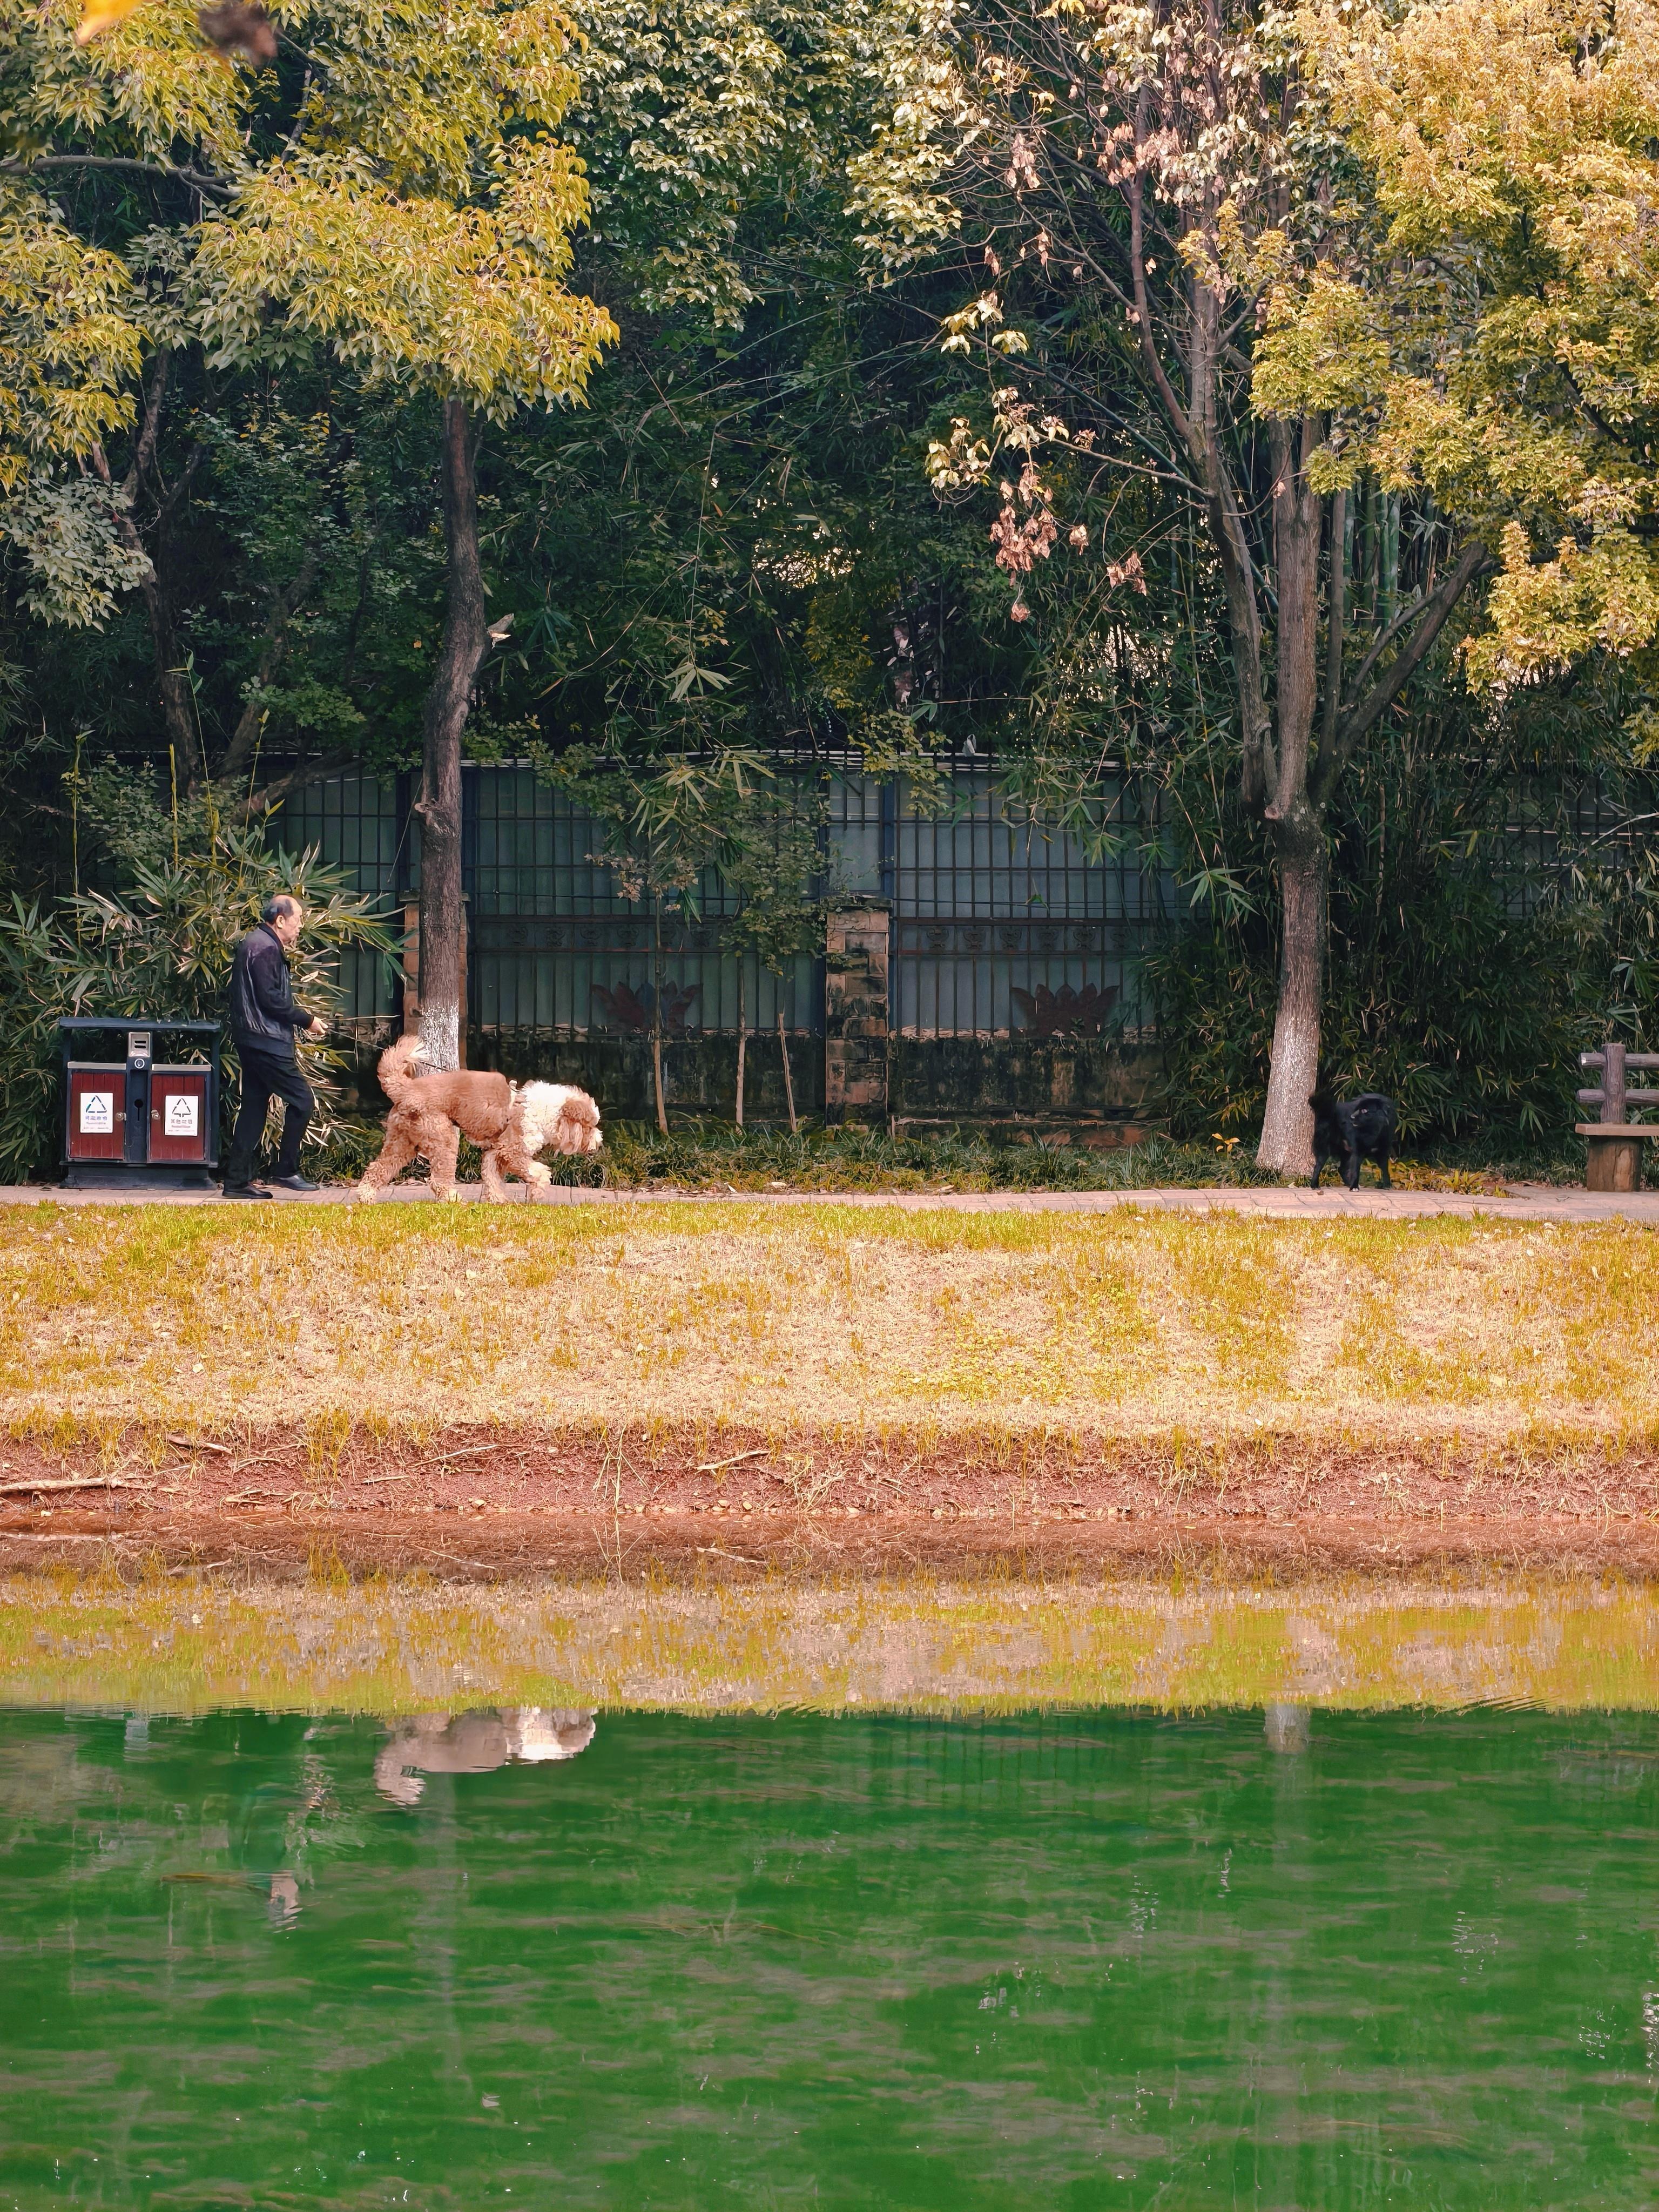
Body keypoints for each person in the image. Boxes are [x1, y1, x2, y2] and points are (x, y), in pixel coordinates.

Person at [224, 894, 326, 1199]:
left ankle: (236, 1182)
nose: (299, 928)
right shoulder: (266, 947)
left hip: (252, 1038)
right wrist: (307, 1020)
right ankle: (286, 1170)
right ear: (280, 920)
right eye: (298, 921)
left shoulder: (256, 942)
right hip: (266, 1041)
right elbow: (272, 1000)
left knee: (254, 1109)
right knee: (303, 1101)